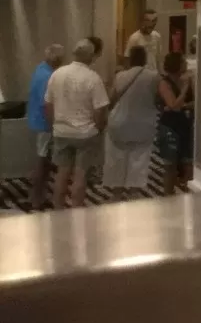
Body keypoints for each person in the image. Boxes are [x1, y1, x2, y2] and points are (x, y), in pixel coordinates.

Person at [45, 39, 109, 209]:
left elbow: (48, 104)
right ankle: (77, 211)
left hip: (61, 131)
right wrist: (98, 128)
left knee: (62, 174)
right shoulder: (93, 78)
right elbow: (100, 110)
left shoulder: (57, 74)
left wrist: (53, 125)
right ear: (91, 57)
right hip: (85, 133)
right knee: (80, 175)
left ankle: (58, 211)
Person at [104, 45, 161, 199]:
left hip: (119, 123)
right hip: (143, 125)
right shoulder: (153, 76)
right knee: (139, 162)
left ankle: (116, 196)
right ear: (145, 59)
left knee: (116, 160)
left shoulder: (120, 76)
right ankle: (134, 197)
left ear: (129, 59)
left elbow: (111, 99)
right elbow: (158, 98)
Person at [25, 44, 65, 211]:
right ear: (56, 59)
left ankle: (38, 197)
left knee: (44, 161)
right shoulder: (48, 76)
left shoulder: (40, 69)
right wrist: (54, 126)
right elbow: (46, 104)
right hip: (44, 124)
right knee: (42, 162)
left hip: (37, 121)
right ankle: (36, 199)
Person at [155, 51, 195, 196]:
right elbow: (174, 106)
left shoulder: (187, 80)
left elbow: (194, 102)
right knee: (170, 165)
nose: (186, 64)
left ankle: (186, 193)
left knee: (188, 162)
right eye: (183, 62)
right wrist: (183, 91)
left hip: (185, 124)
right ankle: (168, 196)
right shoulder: (164, 83)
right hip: (169, 127)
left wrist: (183, 104)